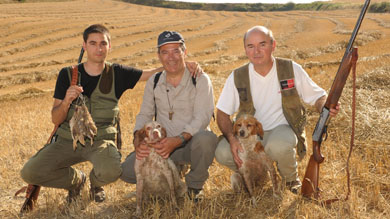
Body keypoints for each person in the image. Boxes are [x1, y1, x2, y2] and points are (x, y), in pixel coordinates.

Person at [20, 24, 200, 204]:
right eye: (93, 43)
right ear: (84, 45)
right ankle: (76, 181)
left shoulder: (117, 73)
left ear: (109, 46)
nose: (98, 48)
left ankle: (95, 183)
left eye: (103, 44)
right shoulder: (68, 74)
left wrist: (184, 64)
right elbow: (56, 119)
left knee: (112, 171)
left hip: (100, 140)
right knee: (29, 172)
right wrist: (67, 101)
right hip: (68, 140)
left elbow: (152, 73)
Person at [214, 26, 340, 193]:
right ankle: (254, 173)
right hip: (251, 136)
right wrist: (232, 139)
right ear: (245, 50)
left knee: (278, 146)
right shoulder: (238, 76)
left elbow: (318, 97)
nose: (256, 51)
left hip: (282, 130)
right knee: (222, 152)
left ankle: (290, 181)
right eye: (250, 46)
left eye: (262, 44)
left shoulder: (290, 69)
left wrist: (325, 107)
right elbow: (222, 113)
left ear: (273, 46)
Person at [120, 31, 217, 201]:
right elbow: (145, 113)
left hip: (189, 143)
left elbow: (202, 117)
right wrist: (136, 138)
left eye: (176, 51)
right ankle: (171, 171)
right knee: (127, 172)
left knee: (207, 139)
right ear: (159, 56)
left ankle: (194, 187)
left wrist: (178, 140)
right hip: (160, 146)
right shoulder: (154, 81)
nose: (171, 57)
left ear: (184, 52)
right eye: (165, 52)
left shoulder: (200, 79)